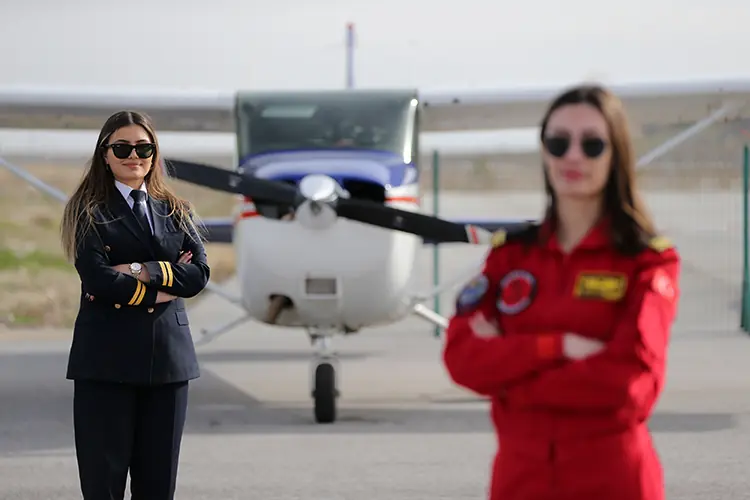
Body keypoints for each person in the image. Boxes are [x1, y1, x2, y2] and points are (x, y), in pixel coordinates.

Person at [442, 84, 681, 500]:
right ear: (544, 152)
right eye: (558, 142)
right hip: (520, 482)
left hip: (612, 482)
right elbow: (461, 358)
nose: (572, 156)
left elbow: (630, 387)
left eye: (592, 145)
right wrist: (557, 347)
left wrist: (511, 384)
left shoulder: (646, 261)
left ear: (616, 155)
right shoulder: (511, 257)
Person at [59, 110, 210, 499]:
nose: (134, 156)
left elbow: (198, 275)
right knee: (103, 486)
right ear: (105, 153)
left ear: (154, 153)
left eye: (144, 148)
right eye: (122, 148)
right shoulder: (87, 210)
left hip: (168, 364)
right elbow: (98, 278)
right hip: (106, 363)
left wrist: (140, 270)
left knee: (158, 487)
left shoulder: (177, 209)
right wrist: (166, 282)